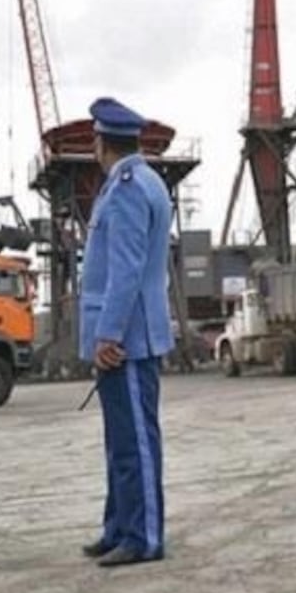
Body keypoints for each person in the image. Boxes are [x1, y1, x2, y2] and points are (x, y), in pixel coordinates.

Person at [77, 97, 174, 567]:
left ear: (101, 143)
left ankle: (144, 536)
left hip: (127, 339)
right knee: (121, 440)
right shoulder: (129, 183)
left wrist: (108, 334)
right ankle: (119, 526)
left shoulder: (130, 188)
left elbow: (127, 268)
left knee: (135, 439)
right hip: (125, 336)